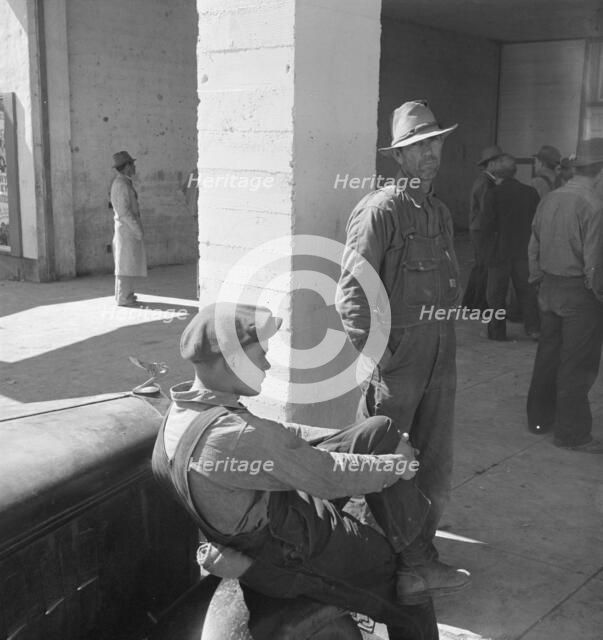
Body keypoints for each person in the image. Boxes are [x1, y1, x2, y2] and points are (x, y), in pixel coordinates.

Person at [152, 302, 442, 639]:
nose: (267, 362)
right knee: (404, 584)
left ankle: (416, 553)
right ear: (233, 360)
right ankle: (414, 567)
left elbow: (281, 438)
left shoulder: (186, 411)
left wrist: (362, 448)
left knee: (377, 431)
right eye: (260, 353)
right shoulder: (236, 436)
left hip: (266, 511)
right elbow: (328, 475)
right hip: (285, 546)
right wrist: (396, 468)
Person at [336, 100, 470, 593]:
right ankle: (371, 567)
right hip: (399, 359)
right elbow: (351, 292)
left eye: (434, 143)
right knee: (385, 463)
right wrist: (380, 358)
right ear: (399, 157)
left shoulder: (438, 209)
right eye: (418, 147)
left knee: (433, 462)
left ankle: (418, 559)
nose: (430, 153)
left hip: (440, 352)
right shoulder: (379, 211)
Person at [526, 138, 603, 452]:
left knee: (548, 355)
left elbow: (533, 244)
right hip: (578, 294)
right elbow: (594, 263)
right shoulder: (594, 206)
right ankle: (572, 433)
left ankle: (540, 419)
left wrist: (536, 279)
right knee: (578, 363)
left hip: (548, 287)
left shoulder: (552, 198)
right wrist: (597, 296)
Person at [481, 154, 540, 341]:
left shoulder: (492, 194)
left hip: (499, 252)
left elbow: (486, 227)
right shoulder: (530, 193)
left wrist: (486, 253)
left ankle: (497, 332)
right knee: (527, 293)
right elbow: (536, 223)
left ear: (496, 174)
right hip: (523, 250)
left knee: (496, 295)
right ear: (515, 172)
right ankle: (533, 329)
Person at [462, 145, 504, 311]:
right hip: (483, 230)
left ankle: (471, 303)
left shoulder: (485, 181)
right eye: (499, 162)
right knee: (484, 267)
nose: (502, 165)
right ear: (491, 164)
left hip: (478, 228)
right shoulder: (487, 183)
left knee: (480, 266)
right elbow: (488, 211)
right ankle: (478, 304)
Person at [110, 150, 147, 306]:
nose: (134, 167)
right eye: (132, 164)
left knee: (129, 262)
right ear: (126, 166)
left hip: (128, 229)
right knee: (124, 264)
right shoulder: (120, 185)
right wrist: (137, 229)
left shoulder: (124, 182)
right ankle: (122, 297)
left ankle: (127, 294)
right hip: (126, 229)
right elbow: (123, 211)